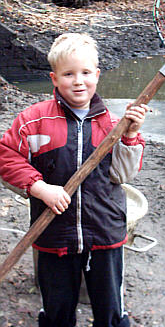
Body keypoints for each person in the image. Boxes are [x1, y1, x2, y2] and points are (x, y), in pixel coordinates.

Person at [0, 33, 149, 327]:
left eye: (85, 73)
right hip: (54, 235)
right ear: (54, 79)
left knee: (110, 310)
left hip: (104, 233)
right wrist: (40, 188)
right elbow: (7, 158)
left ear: (97, 75)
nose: (78, 81)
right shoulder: (33, 120)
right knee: (57, 309)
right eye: (69, 74)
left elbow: (123, 175)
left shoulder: (112, 124)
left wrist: (130, 135)